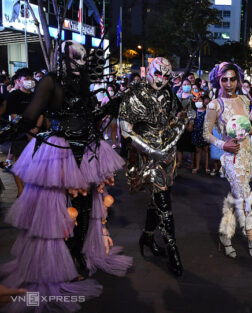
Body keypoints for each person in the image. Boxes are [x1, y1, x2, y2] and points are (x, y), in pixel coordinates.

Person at [0, 40, 132, 312]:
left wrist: (111, 106)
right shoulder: (50, 81)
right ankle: (56, 265)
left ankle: (77, 258)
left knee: (85, 208)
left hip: (88, 150)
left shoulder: (83, 82)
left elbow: (89, 116)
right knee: (57, 210)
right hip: (58, 152)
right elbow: (30, 117)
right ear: (63, 59)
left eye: (83, 60)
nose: (79, 65)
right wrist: (6, 133)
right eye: (74, 59)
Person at [119, 57, 188, 277]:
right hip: (146, 156)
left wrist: (180, 124)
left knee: (157, 199)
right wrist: (151, 152)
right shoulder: (134, 94)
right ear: (149, 71)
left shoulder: (169, 92)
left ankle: (147, 237)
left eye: (166, 76)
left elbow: (177, 114)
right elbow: (125, 129)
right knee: (164, 203)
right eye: (158, 74)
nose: (161, 80)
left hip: (167, 154)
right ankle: (173, 251)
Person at [203, 62, 252, 262]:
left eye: (232, 79)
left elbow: (248, 129)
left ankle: (225, 235)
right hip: (231, 157)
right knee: (246, 196)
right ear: (217, 80)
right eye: (224, 79)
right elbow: (206, 133)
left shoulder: (245, 100)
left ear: (238, 80)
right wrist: (222, 144)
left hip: (246, 154)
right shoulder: (214, 105)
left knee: (236, 195)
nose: (228, 83)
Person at [4, 68, 41, 196]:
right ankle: (21, 190)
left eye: (31, 78)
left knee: (36, 163)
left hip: (36, 133)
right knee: (20, 164)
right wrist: (26, 131)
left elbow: (41, 113)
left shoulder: (36, 95)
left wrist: (36, 127)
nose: (30, 81)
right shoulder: (14, 95)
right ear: (19, 81)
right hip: (20, 133)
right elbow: (14, 116)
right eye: (27, 79)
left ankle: (33, 189)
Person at [176, 78, 196, 168]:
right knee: (179, 143)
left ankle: (192, 162)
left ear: (190, 86)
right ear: (181, 86)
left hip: (188, 122)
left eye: (187, 84)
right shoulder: (178, 96)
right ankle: (179, 161)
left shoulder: (193, 97)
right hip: (179, 122)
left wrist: (191, 122)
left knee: (190, 144)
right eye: (184, 84)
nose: (186, 86)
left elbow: (193, 110)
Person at [192, 95, 210, 174]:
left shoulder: (207, 111)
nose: (198, 102)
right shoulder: (194, 112)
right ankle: (197, 167)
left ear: (203, 102)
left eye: (200, 100)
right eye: (197, 101)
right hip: (196, 132)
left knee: (206, 150)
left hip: (205, 132)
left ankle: (207, 167)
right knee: (198, 150)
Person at [101, 84, 120, 148]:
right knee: (111, 129)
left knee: (116, 130)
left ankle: (117, 143)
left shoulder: (116, 98)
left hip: (116, 116)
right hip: (108, 117)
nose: (110, 91)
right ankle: (112, 142)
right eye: (109, 90)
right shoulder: (105, 99)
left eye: (111, 90)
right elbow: (102, 107)